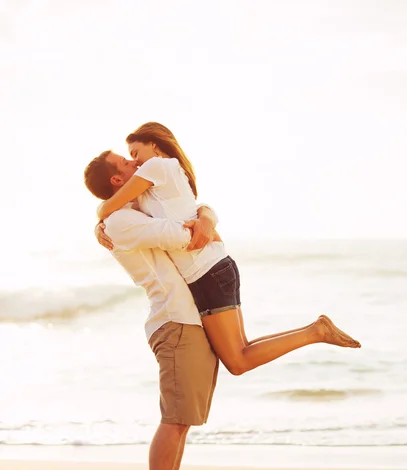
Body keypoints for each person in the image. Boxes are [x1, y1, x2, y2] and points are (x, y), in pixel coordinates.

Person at [91, 122, 361, 377]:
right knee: (242, 348)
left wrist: (100, 216)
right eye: (128, 159)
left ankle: (315, 333)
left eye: (135, 154)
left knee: (237, 362)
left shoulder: (158, 167)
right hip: (212, 268)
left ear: (156, 146)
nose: (135, 162)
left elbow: (108, 207)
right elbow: (124, 212)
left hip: (207, 272)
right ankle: (315, 331)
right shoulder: (153, 184)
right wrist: (100, 226)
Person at [85, 153, 219, 470]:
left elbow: (191, 219)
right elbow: (184, 237)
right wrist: (203, 223)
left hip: (184, 319)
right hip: (173, 322)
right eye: (126, 164)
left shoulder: (126, 211)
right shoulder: (122, 220)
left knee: (183, 420)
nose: (135, 164)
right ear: (116, 180)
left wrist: (206, 213)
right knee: (174, 419)